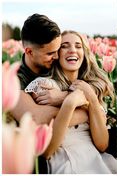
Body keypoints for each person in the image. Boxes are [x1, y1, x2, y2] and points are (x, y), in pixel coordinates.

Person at [24, 30, 117, 174]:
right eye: (65, 46)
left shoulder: (89, 89)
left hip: (96, 159)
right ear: (57, 54)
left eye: (78, 46)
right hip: (66, 162)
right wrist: (69, 102)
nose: (72, 50)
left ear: (84, 53)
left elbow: (102, 145)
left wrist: (91, 98)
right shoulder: (43, 86)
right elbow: (48, 152)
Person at [10, 14, 91, 173]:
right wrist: (87, 111)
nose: (56, 56)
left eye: (57, 49)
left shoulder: (57, 66)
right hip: (42, 156)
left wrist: (63, 96)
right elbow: (36, 119)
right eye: (50, 53)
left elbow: (90, 88)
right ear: (29, 51)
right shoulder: (14, 80)